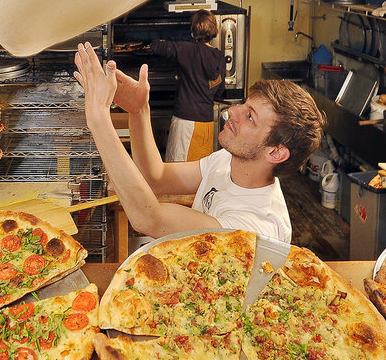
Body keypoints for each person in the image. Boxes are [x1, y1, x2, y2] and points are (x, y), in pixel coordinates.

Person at [73, 42, 325, 243]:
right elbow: (156, 177)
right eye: (245, 105)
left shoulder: (256, 225)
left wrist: (99, 119)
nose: (233, 112)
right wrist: (139, 111)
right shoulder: (228, 160)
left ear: (277, 152)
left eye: (250, 117)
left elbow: (149, 219)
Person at [150, 9, 226, 162]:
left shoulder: (188, 50)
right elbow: (219, 89)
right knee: (199, 170)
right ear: (214, 31)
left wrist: (160, 41)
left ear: (193, 30)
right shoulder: (219, 57)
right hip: (206, 124)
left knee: (178, 170)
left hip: (186, 122)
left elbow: (157, 46)